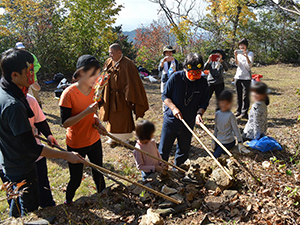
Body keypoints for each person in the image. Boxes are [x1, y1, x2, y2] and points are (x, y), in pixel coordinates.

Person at [0, 48, 84, 217]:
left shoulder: (8, 90)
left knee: (16, 203)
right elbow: (32, 148)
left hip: (9, 160)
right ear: (15, 75)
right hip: (20, 166)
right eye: (28, 72)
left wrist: (48, 135)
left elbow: (35, 123)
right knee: (29, 209)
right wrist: (68, 156)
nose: (32, 76)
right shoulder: (13, 105)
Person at [59, 55, 107, 205]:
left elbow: (92, 114)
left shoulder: (95, 90)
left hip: (93, 139)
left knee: (98, 172)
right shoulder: (68, 94)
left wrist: (97, 122)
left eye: (97, 73)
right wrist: (86, 112)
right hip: (77, 143)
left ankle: (104, 198)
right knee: (76, 178)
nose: (95, 77)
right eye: (91, 74)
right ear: (80, 74)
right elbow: (65, 123)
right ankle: (68, 202)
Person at [158, 53, 209, 167]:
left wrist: (199, 114)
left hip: (189, 120)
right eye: (192, 73)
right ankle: (161, 172)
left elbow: (204, 102)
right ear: (185, 68)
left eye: (198, 73)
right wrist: (174, 108)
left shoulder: (203, 83)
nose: (195, 76)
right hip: (171, 120)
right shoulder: (176, 78)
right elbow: (165, 96)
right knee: (164, 149)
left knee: (183, 150)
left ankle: (180, 172)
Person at [99, 43, 149, 143]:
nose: (110, 56)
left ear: (119, 52)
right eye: (109, 53)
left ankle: (125, 138)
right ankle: (112, 136)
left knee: (123, 116)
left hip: (123, 96)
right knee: (111, 117)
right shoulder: (109, 62)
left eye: (112, 53)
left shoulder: (128, 64)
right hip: (111, 95)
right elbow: (103, 76)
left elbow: (134, 82)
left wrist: (129, 95)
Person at [213, 90, 249, 158]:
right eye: (222, 103)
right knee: (215, 149)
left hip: (228, 141)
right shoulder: (217, 114)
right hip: (219, 140)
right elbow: (216, 128)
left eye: (226, 104)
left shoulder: (230, 115)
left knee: (215, 156)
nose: (223, 105)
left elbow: (236, 129)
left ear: (230, 104)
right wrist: (213, 140)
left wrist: (240, 142)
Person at [15, 42, 42, 107]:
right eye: (20, 49)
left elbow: (37, 65)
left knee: (36, 95)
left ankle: (40, 109)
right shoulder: (15, 57)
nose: (22, 50)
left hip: (33, 79)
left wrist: (30, 72)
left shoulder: (30, 56)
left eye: (22, 48)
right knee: (27, 96)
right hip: (22, 81)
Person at [234, 38, 254, 119]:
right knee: (238, 95)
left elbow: (250, 65)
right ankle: (238, 111)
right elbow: (237, 64)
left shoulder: (250, 53)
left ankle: (244, 112)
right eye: (240, 45)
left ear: (246, 46)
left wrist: (246, 57)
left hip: (246, 77)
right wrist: (235, 56)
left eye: (243, 45)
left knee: (246, 96)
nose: (241, 46)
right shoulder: (238, 54)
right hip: (238, 76)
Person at [158, 46, 179, 111]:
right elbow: (159, 69)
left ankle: (172, 109)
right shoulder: (162, 60)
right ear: (164, 53)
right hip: (164, 80)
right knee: (164, 95)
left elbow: (177, 71)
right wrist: (163, 62)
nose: (169, 54)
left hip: (173, 80)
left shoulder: (175, 61)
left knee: (172, 95)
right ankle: (165, 110)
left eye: (170, 52)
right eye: (167, 52)